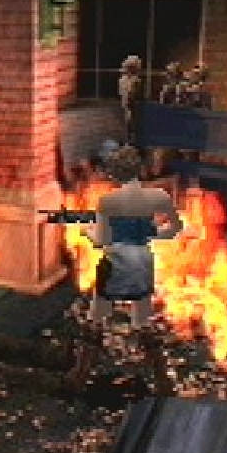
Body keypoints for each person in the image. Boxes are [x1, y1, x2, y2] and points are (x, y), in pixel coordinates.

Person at [86, 145, 183, 330]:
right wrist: (153, 234)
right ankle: (143, 335)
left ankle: (95, 330)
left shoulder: (107, 202)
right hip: (142, 262)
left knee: (100, 308)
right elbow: (175, 228)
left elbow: (101, 240)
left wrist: (88, 232)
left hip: (115, 262)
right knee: (142, 312)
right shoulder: (158, 196)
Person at [118, 55, 144, 143]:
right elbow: (122, 92)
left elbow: (137, 92)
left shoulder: (136, 80)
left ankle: (133, 138)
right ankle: (128, 138)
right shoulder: (123, 80)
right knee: (128, 119)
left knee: (133, 120)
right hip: (127, 101)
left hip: (134, 102)